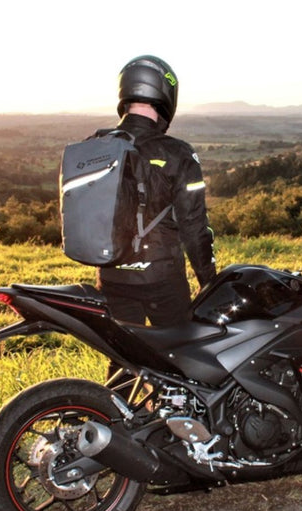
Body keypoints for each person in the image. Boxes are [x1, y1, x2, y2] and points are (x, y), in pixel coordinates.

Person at [95, 55, 216, 327]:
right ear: (166, 95)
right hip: (162, 279)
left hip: (111, 277)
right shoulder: (178, 153)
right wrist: (209, 281)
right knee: (181, 354)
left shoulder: (96, 147)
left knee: (124, 358)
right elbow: (194, 227)